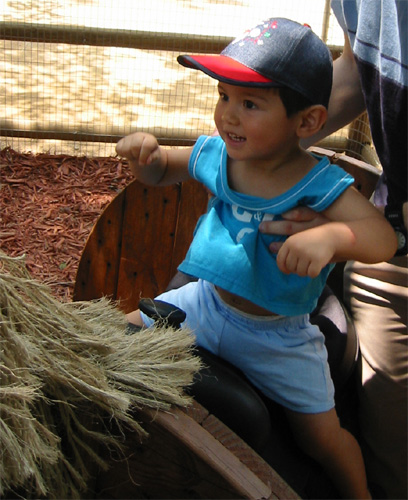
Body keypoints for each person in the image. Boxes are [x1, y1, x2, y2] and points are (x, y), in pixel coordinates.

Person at [116, 18, 397, 499]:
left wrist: (331, 237)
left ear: (306, 122)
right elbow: (163, 171)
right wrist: (148, 158)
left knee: (321, 439)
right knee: (115, 334)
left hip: (277, 336)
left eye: (249, 104)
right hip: (206, 305)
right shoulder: (219, 156)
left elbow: (382, 239)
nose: (228, 115)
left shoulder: (317, 182)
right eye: (224, 96)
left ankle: (360, 493)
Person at [259, 2, 407, 499]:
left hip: (388, 236)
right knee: (390, 456)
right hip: (394, 251)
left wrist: (339, 235)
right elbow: (357, 69)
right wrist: (264, 143)